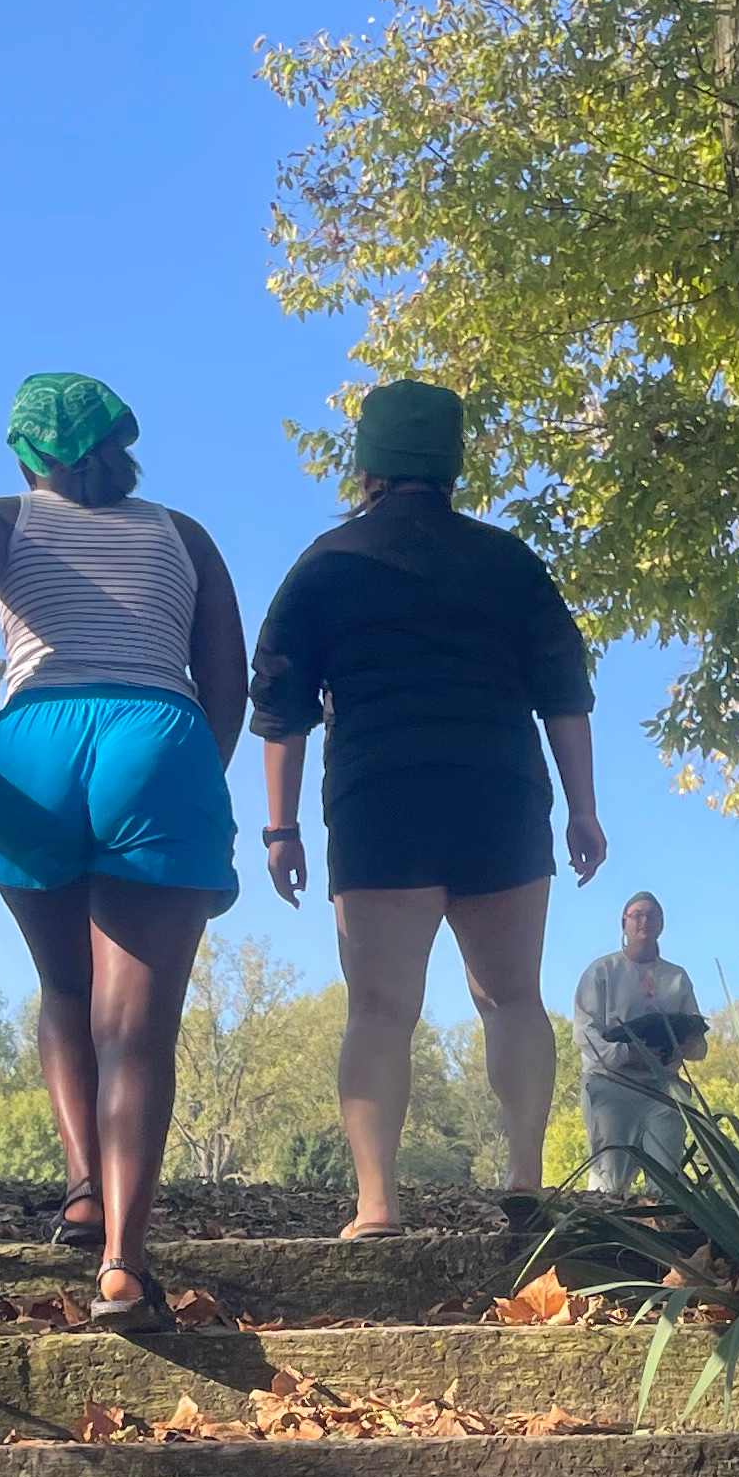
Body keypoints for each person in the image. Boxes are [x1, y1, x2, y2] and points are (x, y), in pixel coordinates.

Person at [0, 370, 245, 1329]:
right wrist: (194, 770)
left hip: (34, 741)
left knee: (65, 986)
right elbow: (225, 671)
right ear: (121, 445)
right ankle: (122, 1269)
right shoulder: (183, 534)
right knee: (135, 1026)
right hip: (157, 733)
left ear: (26, 455)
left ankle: (79, 1193)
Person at [248, 376, 605, 1236]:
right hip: (500, 792)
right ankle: (524, 1179)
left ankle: (377, 1205)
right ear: (453, 463)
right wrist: (583, 810)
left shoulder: (326, 564)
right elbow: (564, 695)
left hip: (381, 798)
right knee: (512, 997)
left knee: (379, 1009)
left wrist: (281, 827)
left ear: (367, 464)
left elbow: (281, 706)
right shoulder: (509, 562)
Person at [574, 891, 708, 1193]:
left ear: (662, 924)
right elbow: (585, 1032)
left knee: (667, 1178)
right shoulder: (601, 971)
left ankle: (663, 1217)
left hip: (663, 1088)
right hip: (612, 1084)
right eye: (637, 915)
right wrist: (627, 1052)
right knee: (610, 1178)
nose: (644, 921)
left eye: (652, 915)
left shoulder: (677, 978)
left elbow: (697, 1041)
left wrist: (680, 1046)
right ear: (624, 923)